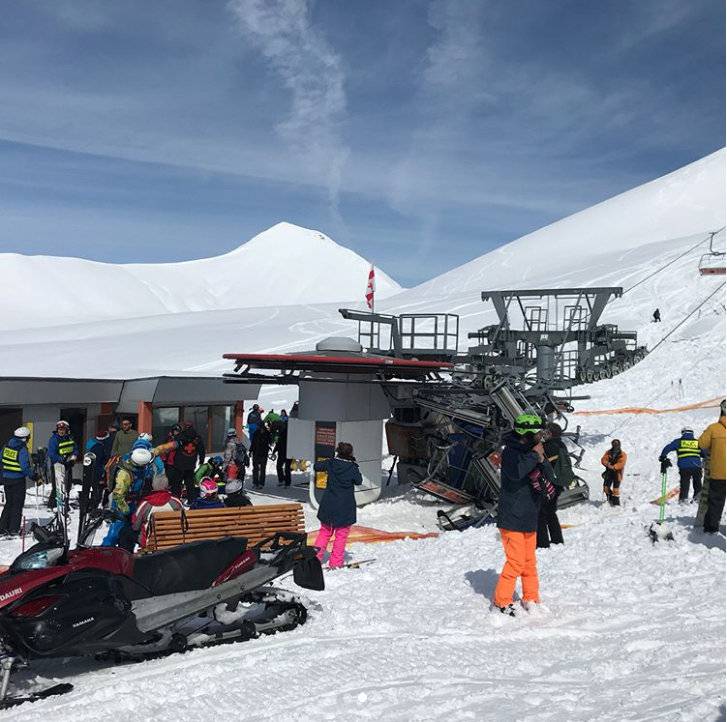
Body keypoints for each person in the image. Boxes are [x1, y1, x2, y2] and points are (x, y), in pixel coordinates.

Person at [492, 414, 555, 616]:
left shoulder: (532, 452)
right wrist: (535, 456)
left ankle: (531, 597)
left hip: (529, 515)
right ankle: (501, 601)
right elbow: (516, 472)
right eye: (537, 433)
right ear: (526, 434)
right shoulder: (511, 452)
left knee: (529, 562)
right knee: (516, 562)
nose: (540, 437)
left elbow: (550, 475)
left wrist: (542, 458)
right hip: (512, 516)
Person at [312, 442, 363, 569]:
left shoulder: (331, 463)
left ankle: (315, 559)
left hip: (329, 504)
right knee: (341, 536)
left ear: (338, 452)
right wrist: (354, 465)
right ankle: (335, 562)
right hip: (345, 507)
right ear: (350, 454)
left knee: (324, 533)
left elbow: (317, 466)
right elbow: (359, 481)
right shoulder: (352, 467)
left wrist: (331, 459)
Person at [537, 422, 573, 548]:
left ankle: (543, 543)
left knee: (542, 512)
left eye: (545, 432)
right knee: (550, 511)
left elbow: (544, 465)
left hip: (550, 483)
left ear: (550, 434)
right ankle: (556, 539)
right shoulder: (560, 444)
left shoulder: (549, 446)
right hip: (558, 483)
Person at [0, 427, 38, 537]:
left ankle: (2, 527)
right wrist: (33, 476)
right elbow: (25, 467)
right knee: (17, 505)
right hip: (17, 481)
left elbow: (1, 458)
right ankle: (13, 529)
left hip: (6, 479)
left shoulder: (6, 446)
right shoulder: (22, 449)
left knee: (9, 503)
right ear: (24, 438)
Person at [132, 475, 183, 548]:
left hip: (150, 542)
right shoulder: (175, 501)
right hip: (173, 539)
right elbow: (183, 520)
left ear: (153, 486)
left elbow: (135, 526)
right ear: (167, 485)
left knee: (127, 533)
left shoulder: (145, 504)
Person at [698, 400, 725, 534]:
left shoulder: (713, 428)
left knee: (715, 501)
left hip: (718, 473)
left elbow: (701, 444)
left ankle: (711, 529)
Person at [659, 427, 704, 503]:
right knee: (697, 482)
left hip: (684, 467)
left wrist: (663, 457)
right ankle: (697, 498)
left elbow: (667, 448)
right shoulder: (697, 442)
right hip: (696, 466)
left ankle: (683, 499)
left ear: (683, 433)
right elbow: (704, 453)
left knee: (685, 483)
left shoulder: (679, 442)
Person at [169, 422, 205, 502]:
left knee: (176, 484)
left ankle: (176, 500)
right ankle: (191, 500)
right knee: (190, 484)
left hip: (179, 464)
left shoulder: (180, 436)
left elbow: (173, 447)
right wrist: (201, 460)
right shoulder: (198, 438)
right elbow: (202, 449)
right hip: (191, 464)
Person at [47, 420, 79, 509]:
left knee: (67, 486)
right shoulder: (54, 439)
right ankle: (52, 504)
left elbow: (75, 449)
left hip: (68, 465)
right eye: (59, 429)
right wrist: (62, 459)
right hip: (57, 465)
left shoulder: (70, 438)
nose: (61, 431)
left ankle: (65, 503)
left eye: (63, 429)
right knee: (57, 486)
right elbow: (51, 453)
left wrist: (73, 458)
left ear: (67, 430)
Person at [85, 428, 111, 508]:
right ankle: (94, 507)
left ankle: (92, 505)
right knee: (98, 490)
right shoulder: (98, 447)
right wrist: (102, 474)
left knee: (94, 490)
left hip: (90, 470)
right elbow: (100, 461)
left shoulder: (91, 442)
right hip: (97, 471)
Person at [601, 439, 627, 506]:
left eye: (616, 444)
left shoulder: (622, 454)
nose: (615, 445)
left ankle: (616, 504)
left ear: (619, 445)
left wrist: (614, 467)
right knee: (606, 487)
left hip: (617, 473)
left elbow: (621, 463)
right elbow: (603, 459)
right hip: (609, 472)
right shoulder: (608, 452)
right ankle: (610, 499)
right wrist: (607, 464)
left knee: (615, 489)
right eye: (614, 444)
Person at [250, 422, 272, 489]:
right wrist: (250, 451)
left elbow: (270, 442)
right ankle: (255, 482)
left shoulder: (267, 433)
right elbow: (253, 443)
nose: (260, 428)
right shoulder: (256, 433)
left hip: (263, 454)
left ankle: (261, 483)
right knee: (255, 469)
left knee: (262, 469)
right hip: (256, 453)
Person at [274, 413, 292, 487]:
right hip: (284, 452)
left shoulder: (288, 434)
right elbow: (278, 443)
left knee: (284, 468)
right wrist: (274, 450)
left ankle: (284, 481)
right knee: (284, 468)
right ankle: (284, 481)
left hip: (286, 452)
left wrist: (274, 450)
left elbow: (278, 443)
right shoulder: (284, 433)